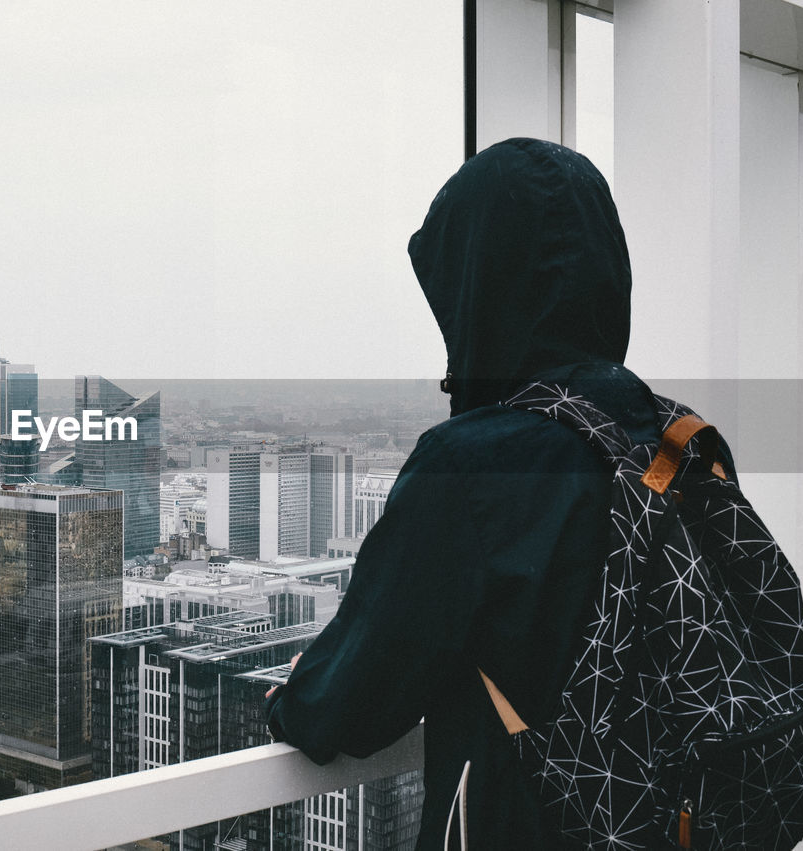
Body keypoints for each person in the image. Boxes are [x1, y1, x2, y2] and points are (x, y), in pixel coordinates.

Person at [264, 138, 673, 848]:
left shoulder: (475, 466)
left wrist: (296, 695)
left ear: (481, 285)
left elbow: (355, 699)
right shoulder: (674, 437)